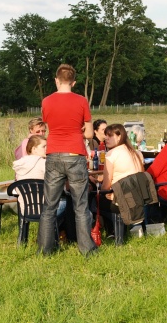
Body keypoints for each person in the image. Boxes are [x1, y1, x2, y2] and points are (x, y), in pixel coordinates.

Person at [38, 64, 97, 256]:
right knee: (81, 205)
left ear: (56, 80)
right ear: (74, 82)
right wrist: (79, 130)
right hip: (75, 154)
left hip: (54, 153)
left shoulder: (46, 101)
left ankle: (45, 250)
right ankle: (87, 250)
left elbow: (51, 124)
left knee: (49, 206)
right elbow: (89, 133)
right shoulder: (81, 101)